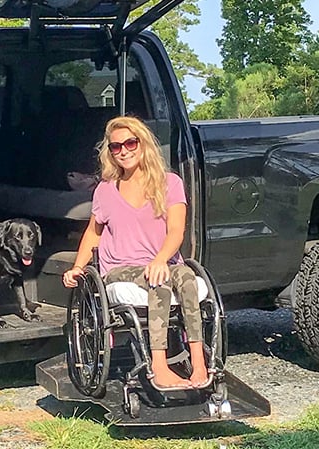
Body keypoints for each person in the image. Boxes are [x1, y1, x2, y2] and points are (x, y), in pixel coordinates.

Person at [62, 115, 209, 389]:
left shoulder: (170, 183)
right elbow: (93, 233)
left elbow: (176, 231)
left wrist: (160, 259)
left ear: (143, 144)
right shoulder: (105, 190)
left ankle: (199, 362)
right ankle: (159, 365)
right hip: (120, 267)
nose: (124, 151)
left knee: (188, 279)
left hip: (161, 261)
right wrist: (78, 268)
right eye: (116, 147)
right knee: (160, 283)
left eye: (130, 143)